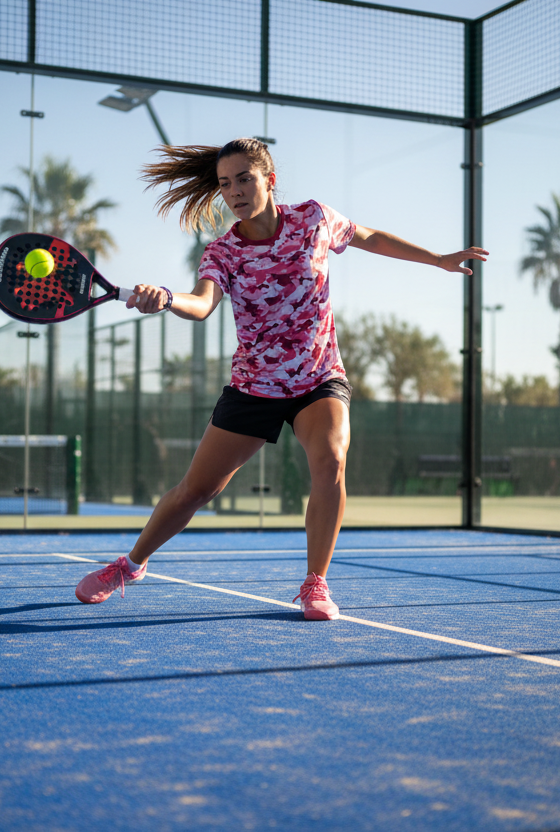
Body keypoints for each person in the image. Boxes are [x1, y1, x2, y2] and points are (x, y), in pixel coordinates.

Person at [73, 138, 487, 620]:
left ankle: (316, 583)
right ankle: (131, 563)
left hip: (318, 378)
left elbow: (369, 236)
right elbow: (202, 303)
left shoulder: (313, 219)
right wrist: (165, 297)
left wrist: (436, 259)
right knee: (195, 491)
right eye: (225, 184)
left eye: (244, 179)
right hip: (254, 387)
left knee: (331, 459)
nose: (235, 191)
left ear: (270, 180)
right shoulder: (223, 252)